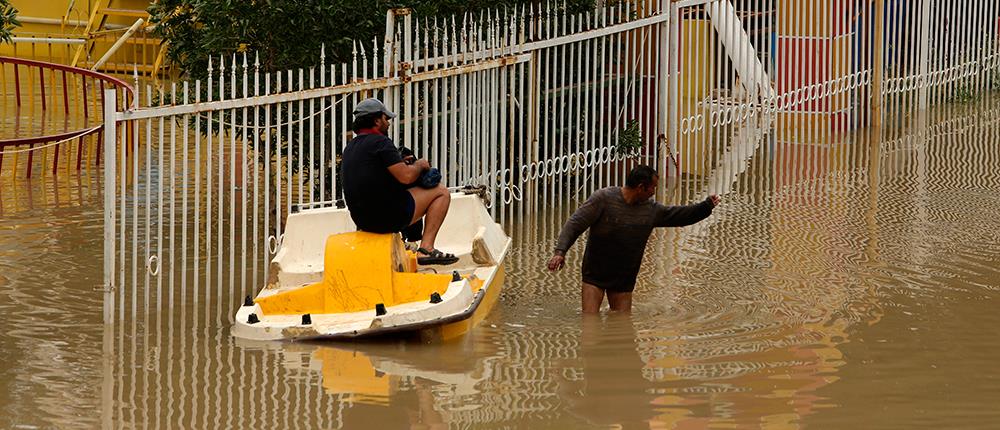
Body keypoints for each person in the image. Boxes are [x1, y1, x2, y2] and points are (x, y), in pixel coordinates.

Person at [547, 165, 720, 313]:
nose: (654, 192)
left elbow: (680, 216)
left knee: (622, 324)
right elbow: (575, 223)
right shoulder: (603, 199)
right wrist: (560, 252)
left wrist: (706, 206)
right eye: (652, 187)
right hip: (595, 273)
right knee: (590, 324)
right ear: (641, 187)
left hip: (624, 277)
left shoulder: (651, 210)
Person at [341, 98, 458, 265]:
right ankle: (426, 249)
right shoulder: (381, 142)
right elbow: (407, 177)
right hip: (387, 218)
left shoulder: (350, 148)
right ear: (376, 120)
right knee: (441, 192)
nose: (388, 123)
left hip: (362, 221)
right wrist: (419, 165)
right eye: (385, 119)